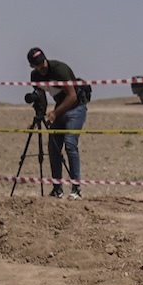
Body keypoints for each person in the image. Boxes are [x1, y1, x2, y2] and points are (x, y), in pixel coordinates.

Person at [26, 47, 87, 198]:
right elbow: (40, 98)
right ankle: (57, 189)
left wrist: (54, 113)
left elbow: (72, 96)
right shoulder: (35, 76)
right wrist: (38, 118)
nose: (42, 66)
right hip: (60, 109)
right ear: (33, 66)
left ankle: (76, 188)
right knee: (53, 147)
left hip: (76, 108)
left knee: (70, 144)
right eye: (38, 64)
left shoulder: (59, 69)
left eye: (43, 62)